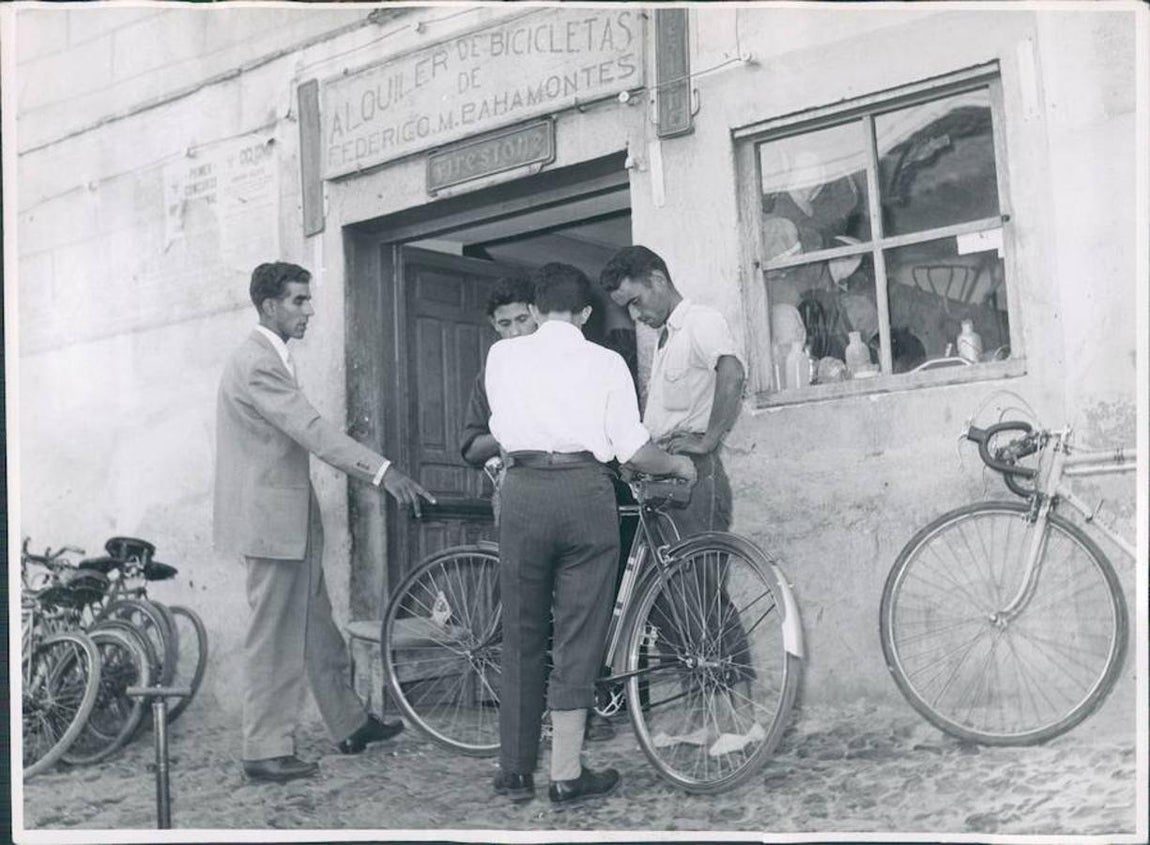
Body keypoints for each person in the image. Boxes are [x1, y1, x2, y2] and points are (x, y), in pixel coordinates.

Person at [214, 261, 435, 783]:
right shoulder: (258, 362)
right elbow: (311, 429)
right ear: (269, 306)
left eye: (308, 300)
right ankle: (264, 749)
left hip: (287, 515)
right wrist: (383, 472)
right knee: (274, 635)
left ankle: (350, 722)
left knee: (316, 623)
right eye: (298, 301)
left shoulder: (271, 356)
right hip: (272, 521)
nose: (309, 310)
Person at [485, 262, 696, 804]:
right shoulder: (605, 361)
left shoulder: (502, 354)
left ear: (532, 310)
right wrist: (676, 468)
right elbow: (632, 449)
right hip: (584, 494)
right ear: (584, 314)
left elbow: (500, 429)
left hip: (524, 491)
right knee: (579, 634)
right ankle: (565, 772)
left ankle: (513, 770)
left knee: (524, 631)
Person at [599, 244, 759, 757]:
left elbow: (731, 375)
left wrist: (710, 439)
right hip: (664, 474)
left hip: (696, 475)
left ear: (657, 279)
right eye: (627, 308)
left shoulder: (702, 321)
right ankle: (701, 718)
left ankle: (743, 717)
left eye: (636, 301)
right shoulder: (667, 340)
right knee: (668, 598)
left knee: (702, 591)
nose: (635, 315)